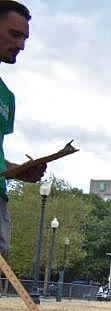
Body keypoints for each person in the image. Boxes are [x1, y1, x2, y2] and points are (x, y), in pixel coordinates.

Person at [0, 1, 46, 256]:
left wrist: (19, 171)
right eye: (14, 34)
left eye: (25, 38)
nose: (21, 45)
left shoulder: (6, 96)